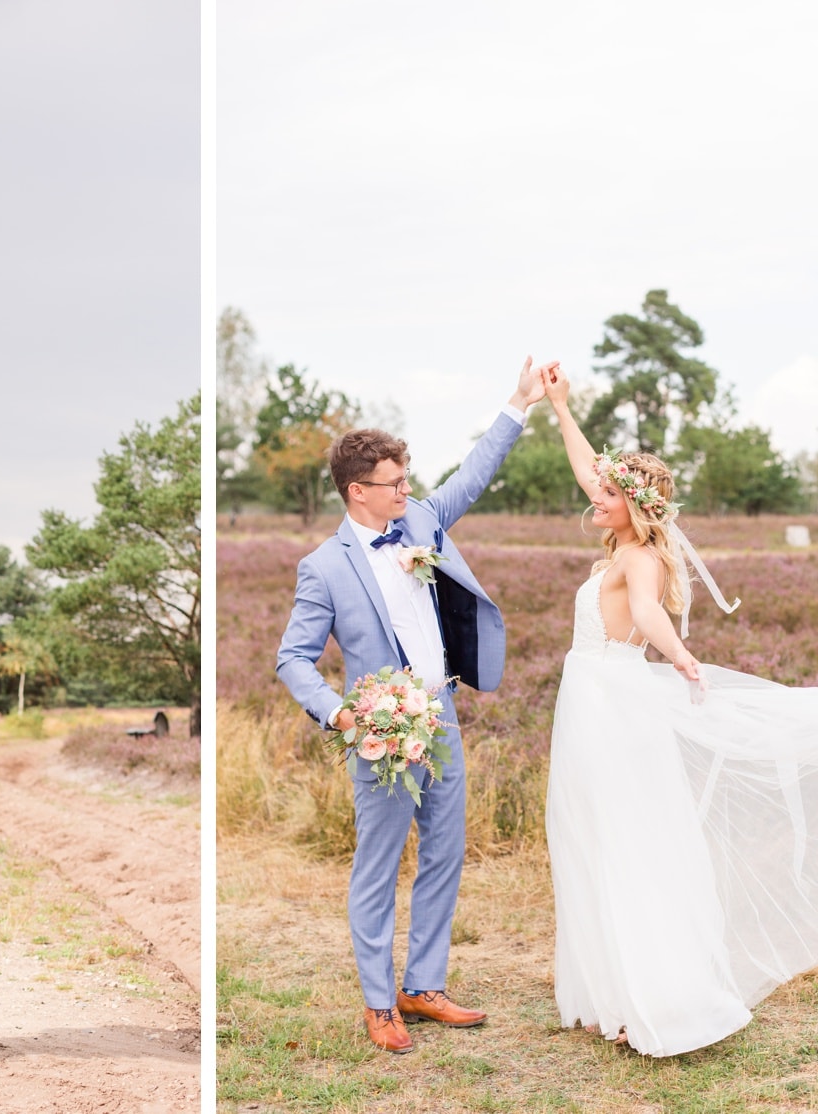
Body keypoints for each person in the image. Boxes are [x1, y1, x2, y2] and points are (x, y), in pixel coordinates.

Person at [538, 363, 818, 1057]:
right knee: (595, 837)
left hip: (611, 703)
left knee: (627, 840)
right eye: (600, 488)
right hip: (594, 701)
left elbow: (644, 614)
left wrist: (685, 659)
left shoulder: (641, 561)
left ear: (633, 504)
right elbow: (585, 469)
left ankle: (655, 993)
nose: (593, 497)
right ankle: (619, 990)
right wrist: (560, 408)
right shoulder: (625, 539)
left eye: (607, 493)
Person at [277, 357, 549, 1054]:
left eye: (406, 478)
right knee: (378, 862)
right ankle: (378, 1002)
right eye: (394, 483)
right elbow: (292, 659)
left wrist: (518, 403)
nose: (407, 489)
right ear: (356, 492)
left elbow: (473, 475)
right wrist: (342, 715)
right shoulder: (324, 566)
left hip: (443, 715)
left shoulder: (421, 520)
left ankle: (423, 986)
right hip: (382, 732)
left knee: (445, 854)